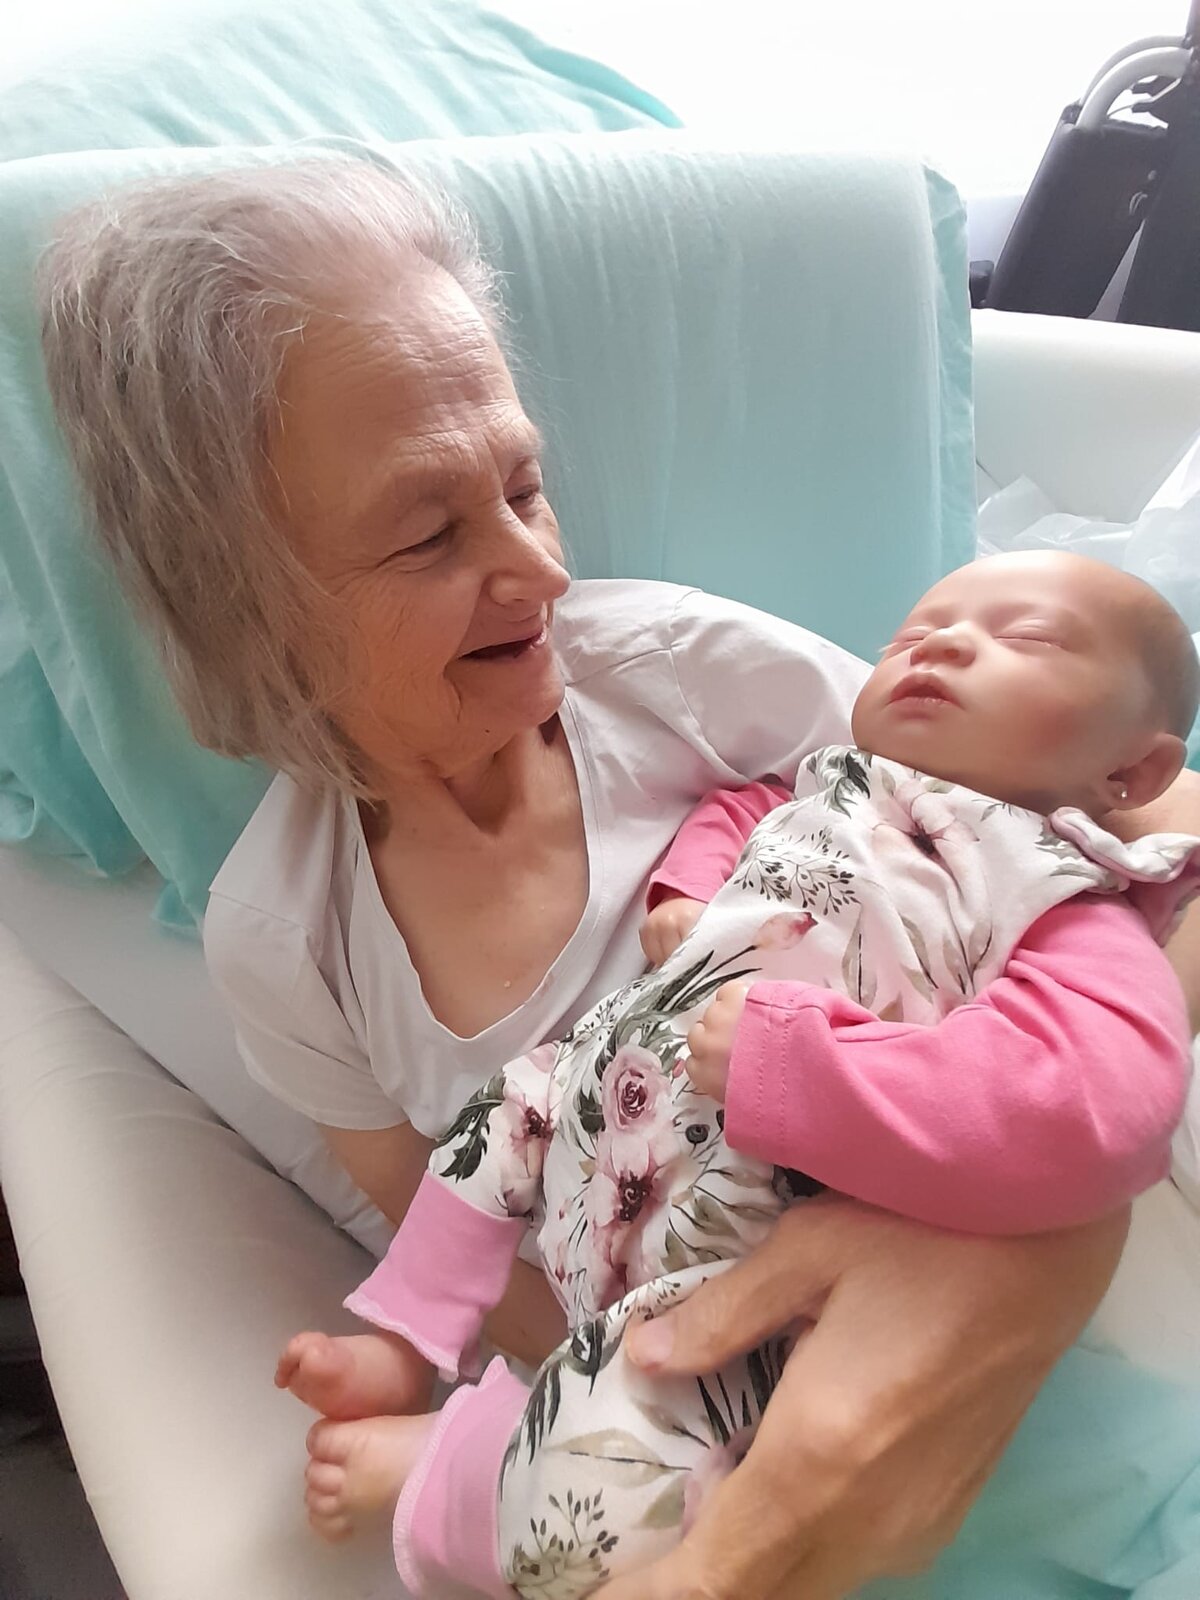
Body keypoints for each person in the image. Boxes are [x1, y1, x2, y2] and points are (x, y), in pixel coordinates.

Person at [36, 156, 1200, 1600]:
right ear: (244, 607)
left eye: (523, 485)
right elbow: (470, 1261)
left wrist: (994, 1219)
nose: (538, 573)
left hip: (970, 1262)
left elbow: (1022, 826)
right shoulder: (288, 939)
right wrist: (637, 1424)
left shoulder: (685, 677)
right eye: (429, 533)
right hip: (672, 1378)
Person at [275, 550, 1200, 1599]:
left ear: (1131, 774)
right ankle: (405, 1339)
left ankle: (453, 1468)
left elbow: (1090, 1109)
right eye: (913, 632)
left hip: (738, 1266)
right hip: (588, 1099)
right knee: (490, 1127)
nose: (942, 642)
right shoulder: (823, 779)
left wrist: (806, 1068)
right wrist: (689, 886)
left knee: (619, 1503)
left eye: (1026, 638)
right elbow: (734, 809)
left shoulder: (1062, 901)